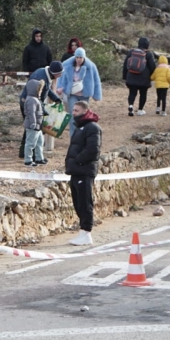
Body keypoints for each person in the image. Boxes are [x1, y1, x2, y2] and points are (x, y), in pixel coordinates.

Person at [65, 100, 102, 246]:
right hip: (76, 171)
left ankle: (86, 232)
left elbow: (93, 149)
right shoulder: (80, 128)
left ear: (85, 111)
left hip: (84, 171)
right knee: (78, 202)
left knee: (85, 202)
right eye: (73, 110)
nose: (73, 113)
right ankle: (82, 232)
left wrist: (78, 161)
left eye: (76, 111)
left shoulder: (92, 128)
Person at [18, 60, 64, 159]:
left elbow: (47, 89)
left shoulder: (44, 73)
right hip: (30, 105)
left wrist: (55, 98)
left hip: (31, 103)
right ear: (55, 73)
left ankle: (24, 152)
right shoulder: (40, 77)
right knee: (34, 128)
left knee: (30, 128)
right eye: (60, 73)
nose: (60, 75)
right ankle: (31, 153)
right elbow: (36, 95)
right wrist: (43, 111)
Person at [56, 47, 102, 135]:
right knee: (73, 115)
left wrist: (96, 95)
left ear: (84, 57)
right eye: (77, 57)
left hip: (84, 94)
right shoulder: (68, 65)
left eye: (81, 57)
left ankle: (82, 135)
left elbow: (96, 80)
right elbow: (61, 77)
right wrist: (61, 87)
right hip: (72, 94)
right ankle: (73, 137)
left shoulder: (90, 66)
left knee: (84, 115)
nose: (79, 59)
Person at [122, 37, 157, 117]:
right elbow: (153, 66)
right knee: (143, 94)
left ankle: (131, 105)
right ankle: (140, 110)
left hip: (131, 77)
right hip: (144, 79)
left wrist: (125, 76)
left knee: (132, 93)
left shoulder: (131, 52)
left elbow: (125, 65)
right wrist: (151, 76)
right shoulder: (148, 54)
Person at [22, 80, 48, 167]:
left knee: (39, 142)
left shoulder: (34, 99)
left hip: (38, 125)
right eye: (39, 90)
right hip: (33, 125)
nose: (40, 91)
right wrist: (33, 123)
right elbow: (31, 112)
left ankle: (39, 158)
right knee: (30, 143)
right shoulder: (32, 100)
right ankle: (28, 160)